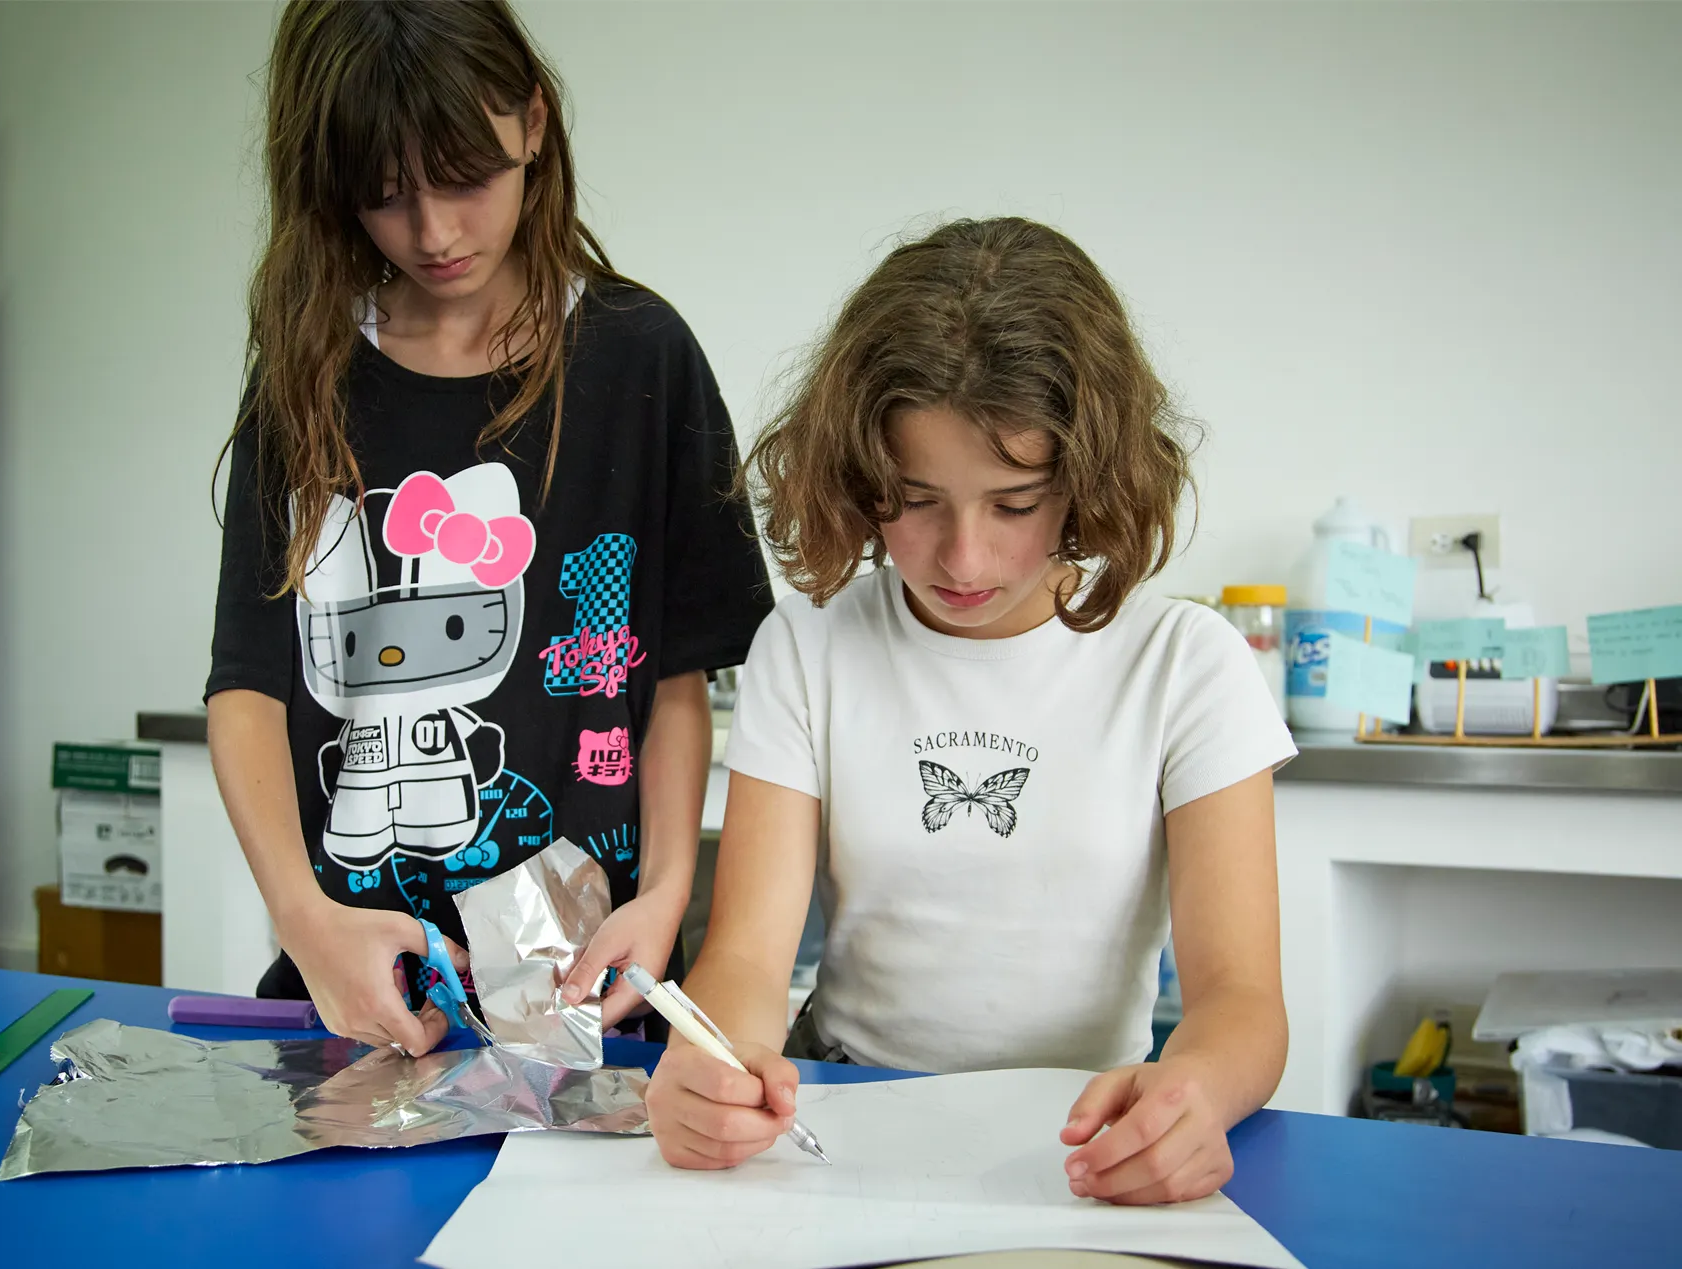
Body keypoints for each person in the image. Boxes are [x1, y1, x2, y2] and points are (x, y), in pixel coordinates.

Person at [626, 218, 1295, 1204]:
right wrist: (713, 1060)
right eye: (915, 500)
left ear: (1086, 481)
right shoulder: (810, 646)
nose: (962, 559)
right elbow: (747, 960)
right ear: (861, 477)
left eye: (1015, 505)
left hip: (1076, 1140)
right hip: (847, 1114)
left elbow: (1242, 1003)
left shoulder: (1187, 667)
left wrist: (1190, 1093)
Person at [206, 0, 769, 1057]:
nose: (435, 233)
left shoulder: (639, 357)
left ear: (534, 126)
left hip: (600, 981)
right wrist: (303, 918)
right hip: (364, 986)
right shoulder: (306, 374)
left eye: (467, 178)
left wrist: (670, 899)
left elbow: (678, 682)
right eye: (385, 197)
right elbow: (248, 683)